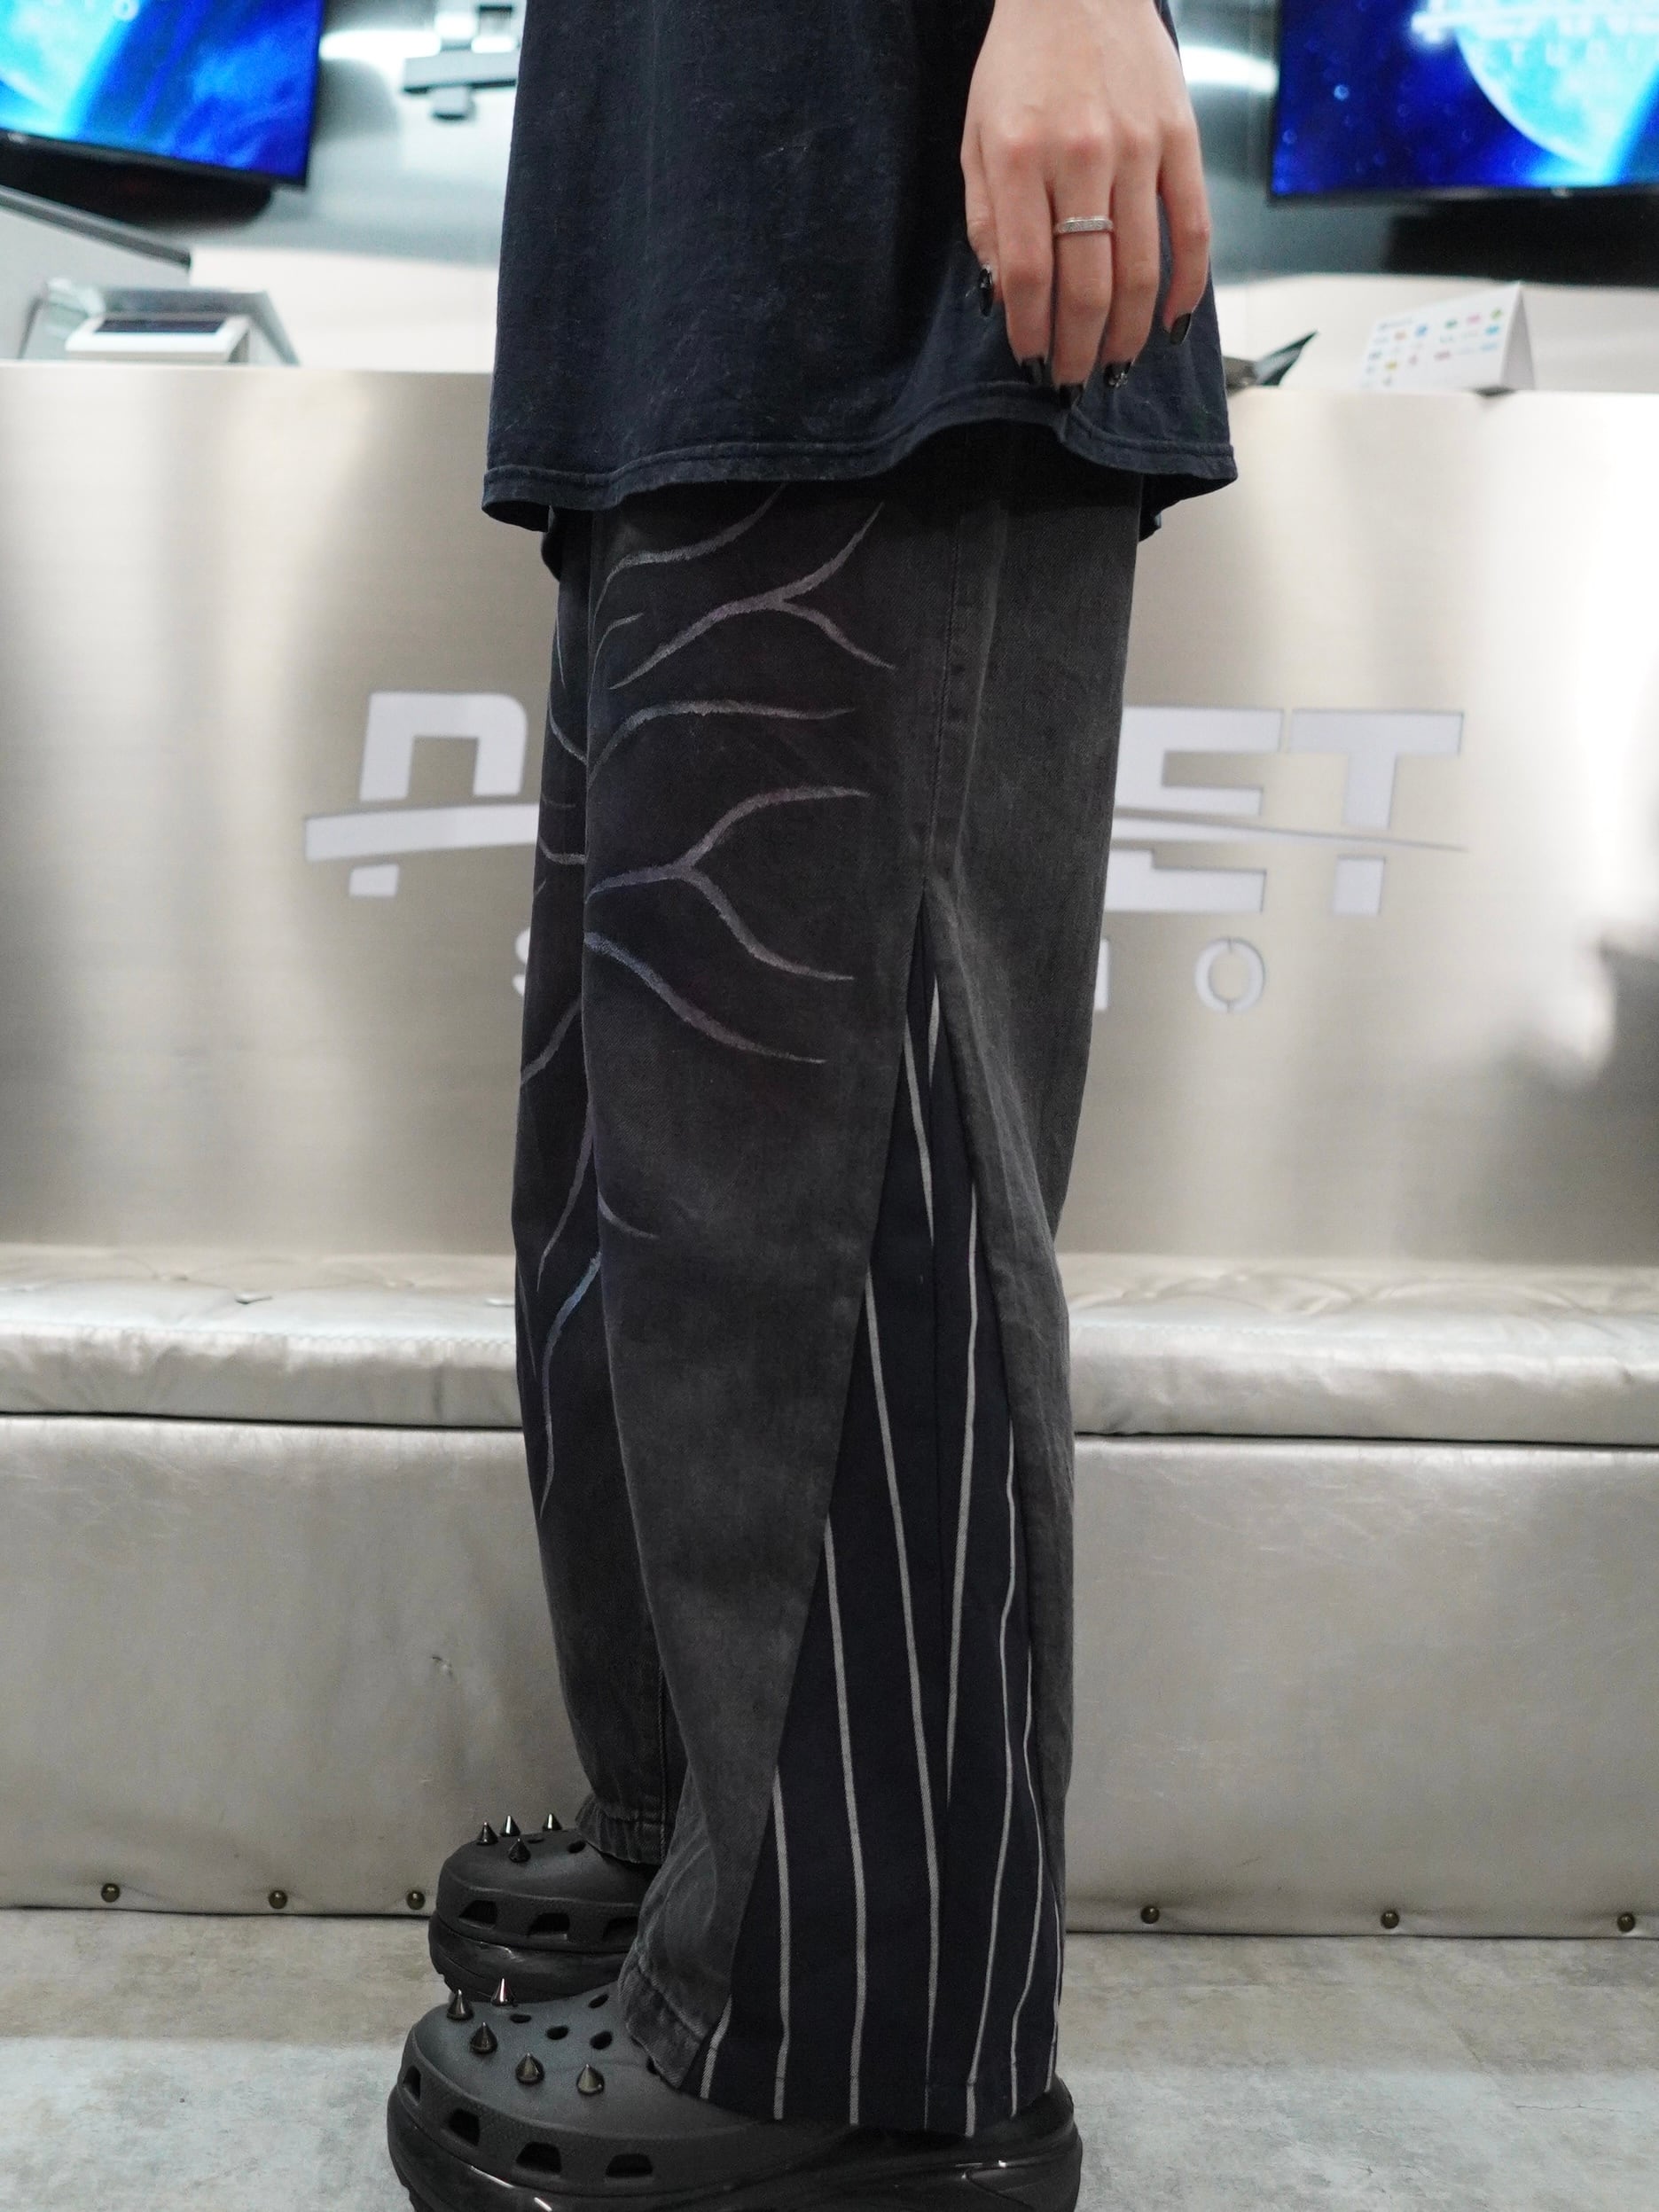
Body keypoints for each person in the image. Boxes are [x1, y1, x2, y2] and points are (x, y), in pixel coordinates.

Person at [387, 1, 1234, 2205]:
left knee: (828, 1167)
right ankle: (707, 1846)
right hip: (679, 266)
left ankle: (859, 2032)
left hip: (880, 229)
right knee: (640, 1181)